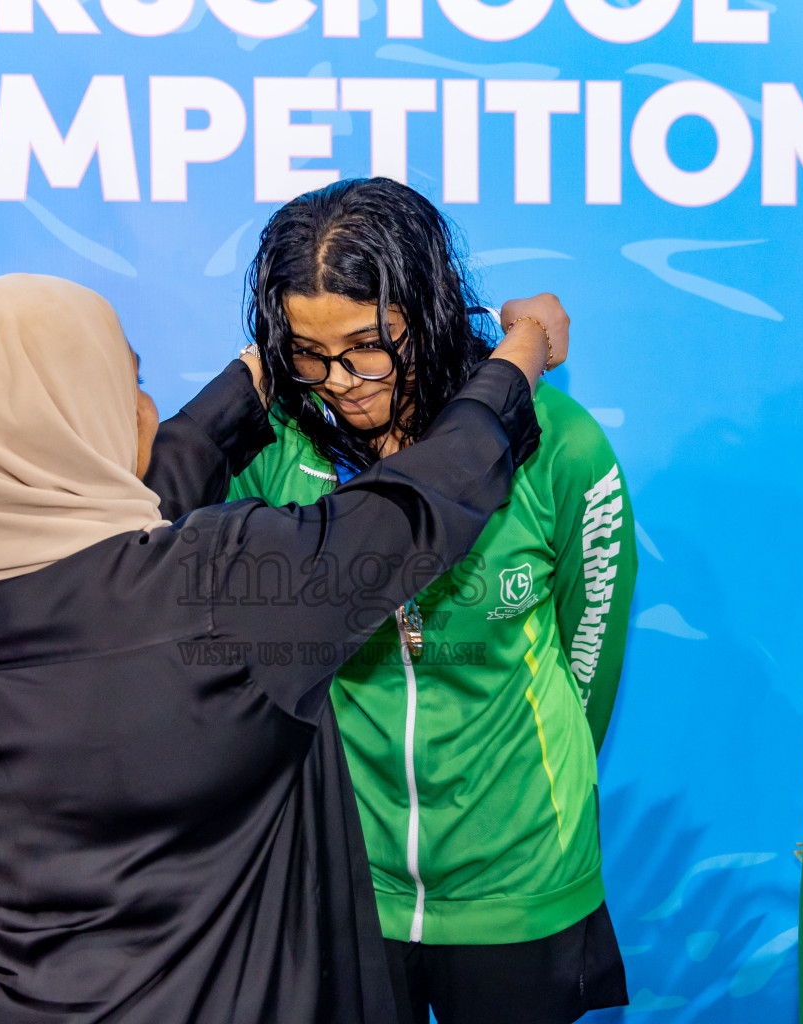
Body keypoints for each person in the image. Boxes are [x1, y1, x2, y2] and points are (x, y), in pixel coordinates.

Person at [0, 272, 560, 1024]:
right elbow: (421, 502)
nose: (150, 411)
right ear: (63, 427)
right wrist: (525, 348)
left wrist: (260, 375)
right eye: (127, 387)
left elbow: (122, 512)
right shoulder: (224, 591)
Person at [220, 177, 638, 1024]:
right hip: (343, 881)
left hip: (520, 883)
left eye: (368, 347)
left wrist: (527, 789)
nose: (340, 381)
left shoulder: (559, 447)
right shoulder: (275, 454)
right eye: (308, 353)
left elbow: (588, 649)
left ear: (430, 310)